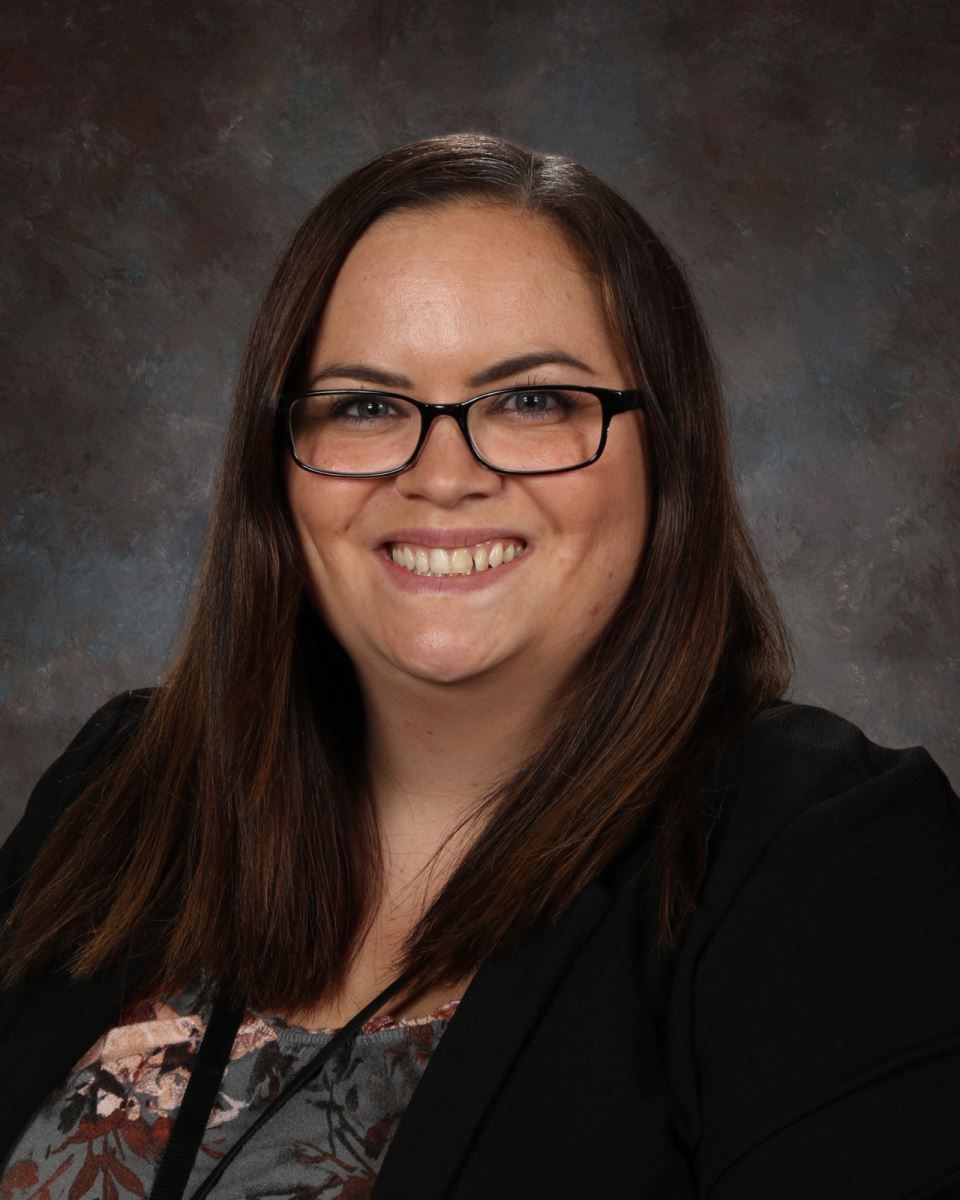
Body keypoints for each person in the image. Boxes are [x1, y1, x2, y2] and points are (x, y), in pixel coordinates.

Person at [0, 132, 957, 1200]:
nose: (442, 475)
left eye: (533, 400)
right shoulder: (126, 787)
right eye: (366, 406)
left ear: (669, 449)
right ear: (279, 468)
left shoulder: (826, 859)